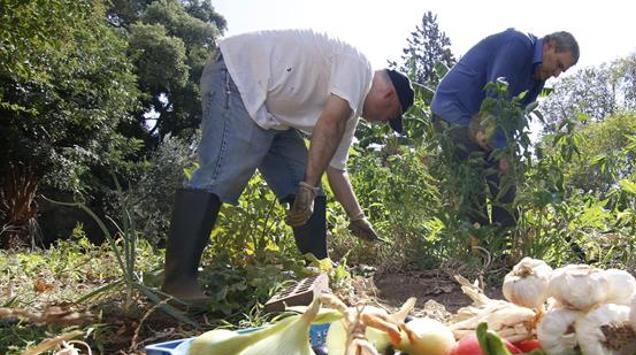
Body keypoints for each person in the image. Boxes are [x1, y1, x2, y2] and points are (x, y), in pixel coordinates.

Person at [161, 29, 414, 303]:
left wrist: (357, 217)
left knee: (307, 186)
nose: (381, 122)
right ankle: (177, 283)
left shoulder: (349, 110)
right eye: (389, 117)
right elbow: (328, 125)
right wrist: (308, 184)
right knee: (220, 175)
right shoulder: (359, 67)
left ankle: (318, 270)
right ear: (389, 96)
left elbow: (336, 169)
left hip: (272, 114)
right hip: (237, 76)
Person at [431, 29, 578, 227]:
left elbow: (514, 118)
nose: (557, 74)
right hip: (453, 112)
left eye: (563, 70)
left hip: (481, 122)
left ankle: (505, 249)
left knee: (505, 181)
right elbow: (496, 96)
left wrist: (508, 153)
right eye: (559, 65)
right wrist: (502, 152)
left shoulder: (538, 78)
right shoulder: (517, 44)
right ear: (549, 46)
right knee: (472, 184)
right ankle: (481, 251)